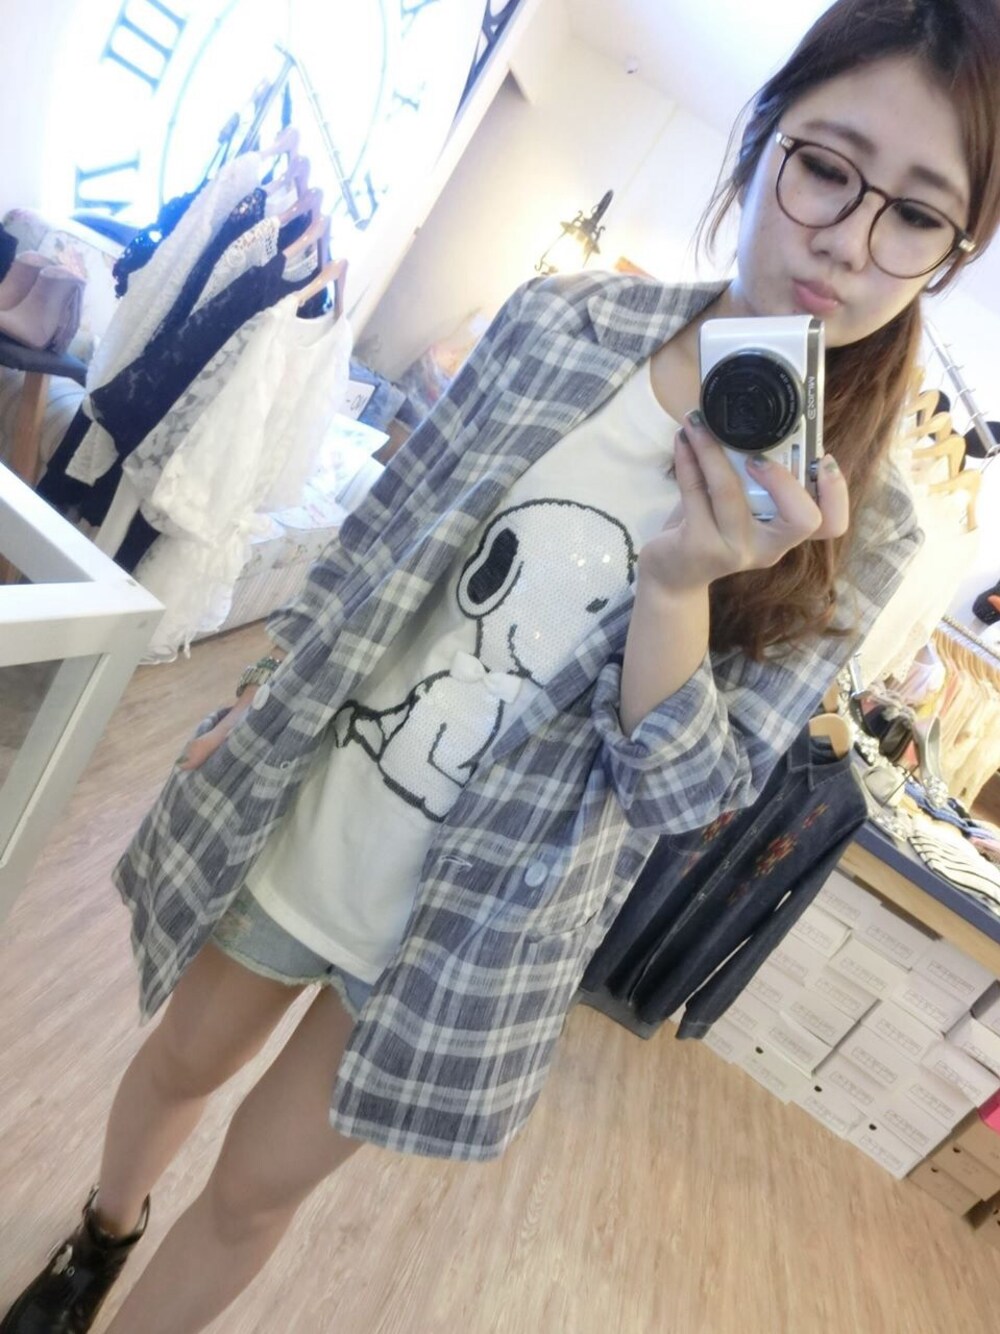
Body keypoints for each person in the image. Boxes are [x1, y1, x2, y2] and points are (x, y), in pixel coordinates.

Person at [5, 0, 1000, 1330]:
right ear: (764, 139)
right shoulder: (566, 322)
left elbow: (687, 799)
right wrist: (257, 690)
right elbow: (387, 531)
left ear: (952, 252)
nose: (851, 242)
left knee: (253, 1189)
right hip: (327, 799)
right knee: (182, 1058)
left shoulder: (860, 523)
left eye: (917, 214)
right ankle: (102, 1231)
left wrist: (678, 586)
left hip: (482, 924)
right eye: (828, 167)